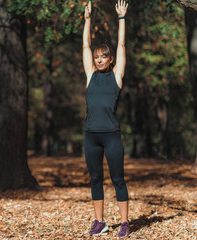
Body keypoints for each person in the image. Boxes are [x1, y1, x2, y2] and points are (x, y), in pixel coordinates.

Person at [82, 0, 129, 238]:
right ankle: (100, 222)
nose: (99, 59)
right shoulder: (90, 76)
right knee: (95, 179)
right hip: (91, 136)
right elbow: (85, 46)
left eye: (104, 57)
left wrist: (121, 18)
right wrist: (88, 19)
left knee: (118, 179)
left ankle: (124, 223)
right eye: (97, 57)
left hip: (111, 136)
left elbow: (121, 44)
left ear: (111, 60)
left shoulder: (116, 77)